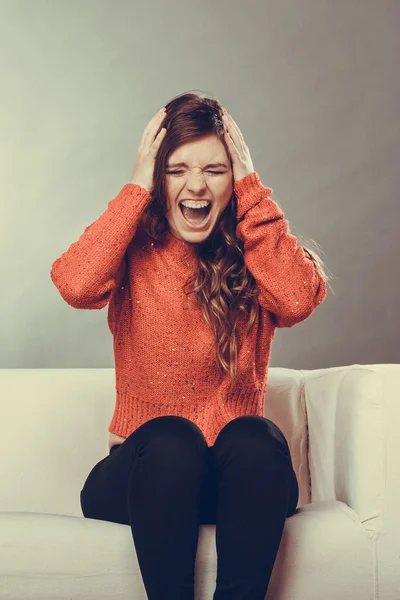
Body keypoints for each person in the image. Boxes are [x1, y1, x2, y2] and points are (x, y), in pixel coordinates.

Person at [50, 91, 331, 600]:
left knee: (256, 437)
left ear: (235, 179)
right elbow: (74, 284)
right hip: (146, 480)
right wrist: (136, 188)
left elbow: (296, 298)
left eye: (216, 170)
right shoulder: (134, 250)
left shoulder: (256, 252)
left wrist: (252, 190)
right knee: (172, 440)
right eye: (176, 170)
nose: (196, 185)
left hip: (233, 483)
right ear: (158, 179)